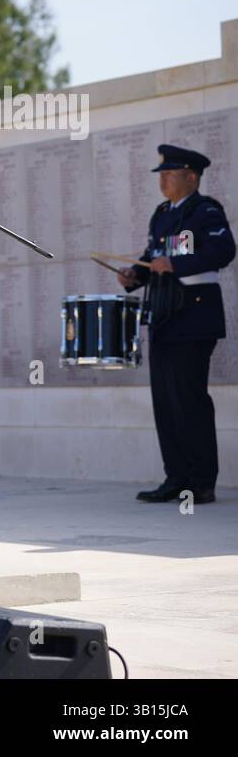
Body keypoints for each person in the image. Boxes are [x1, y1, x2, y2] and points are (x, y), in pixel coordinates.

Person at [119, 144, 234, 504]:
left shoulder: (206, 211)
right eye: (162, 175)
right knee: (166, 402)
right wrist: (133, 276)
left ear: (192, 177)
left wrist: (176, 266)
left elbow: (224, 251)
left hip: (195, 315)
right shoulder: (162, 214)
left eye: (170, 174)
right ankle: (176, 477)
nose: (163, 180)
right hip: (165, 315)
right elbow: (153, 256)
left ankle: (201, 481)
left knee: (189, 400)